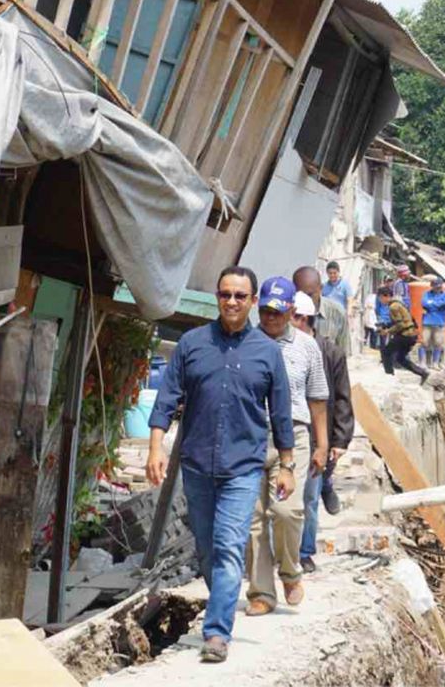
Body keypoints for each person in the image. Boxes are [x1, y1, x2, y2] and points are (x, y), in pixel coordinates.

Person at [147, 266, 294, 663]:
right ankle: (222, 604)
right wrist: (156, 448)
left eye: (240, 296)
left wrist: (287, 464)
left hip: (243, 469)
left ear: (252, 302)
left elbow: (280, 413)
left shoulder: (267, 352)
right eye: (225, 294)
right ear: (217, 297)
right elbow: (166, 400)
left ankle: (216, 633)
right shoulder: (192, 344)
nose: (232, 302)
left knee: (229, 548)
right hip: (196, 465)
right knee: (209, 552)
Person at [247, 277, 329, 617]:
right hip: (251, 437)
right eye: (265, 311)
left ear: (292, 311)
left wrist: (322, 444)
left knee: (286, 511)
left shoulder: (307, 347)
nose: (270, 318)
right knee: (250, 520)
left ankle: (291, 572)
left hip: (293, 439)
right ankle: (261, 592)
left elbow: (318, 398)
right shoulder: (245, 343)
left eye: (278, 313)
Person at [291, 294, 354, 574]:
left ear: (304, 319)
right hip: (285, 435)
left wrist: (339, 440)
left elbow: (341, 398)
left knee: (308, 498)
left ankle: (304, 552)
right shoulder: (278, 348)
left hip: (317, 437)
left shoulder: (329, 353)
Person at [293, 265, 349, 353]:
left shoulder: (337, 313)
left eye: (310, 295)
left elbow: (342, 352)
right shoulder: (287, 315)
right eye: (302, 295)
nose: (306, 300)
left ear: (320, 289)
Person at [381, 284, 429, 384]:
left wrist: (387, 331)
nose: (381, 300)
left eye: (381, 298)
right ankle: (422, 373)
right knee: (400, 358)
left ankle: (389, 376)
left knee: (386, 352)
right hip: (411, 335)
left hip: (405, 335)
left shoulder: (393, 307)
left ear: (386, 296)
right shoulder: (399, 304)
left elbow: (400, 325)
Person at [420, 278, 445, 368]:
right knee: (425, 342)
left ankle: (435, 363)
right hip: (427, 322)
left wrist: (432, 304)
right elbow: (424, 304)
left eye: (439, 286)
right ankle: (424, 363)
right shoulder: (426, 294)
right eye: (435, 286)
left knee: (438, 343)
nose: (438, 287)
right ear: (432, 286)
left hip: (439, 322)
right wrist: (438, 304)